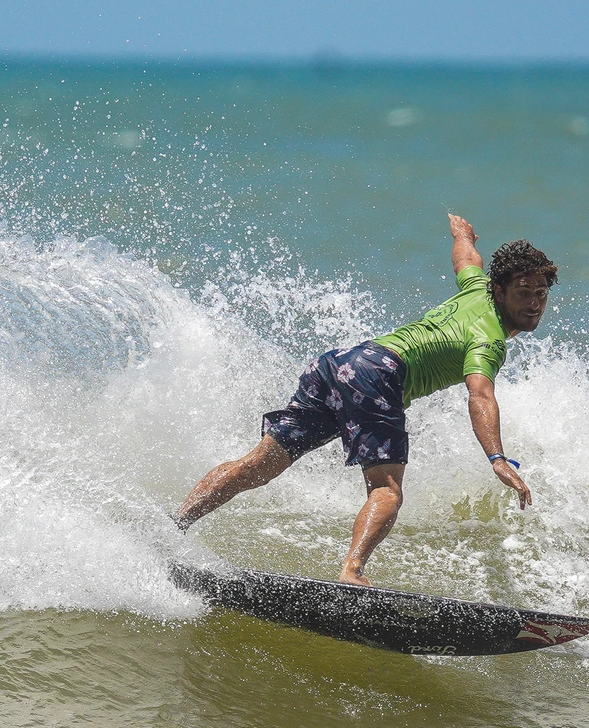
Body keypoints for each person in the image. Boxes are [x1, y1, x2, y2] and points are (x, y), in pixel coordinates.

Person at [174, 214, 558, 586]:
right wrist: (497, 458)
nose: (533, 303)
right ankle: (352, 571)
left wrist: (462, 235)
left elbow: (466, 260)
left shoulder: (476, 288)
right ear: (499, 291)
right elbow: (481, 394)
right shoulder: (489, 340)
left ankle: (175, 524)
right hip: (379, 376)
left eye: (540, 294)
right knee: (386, 490)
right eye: (523, 293)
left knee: (259, 466)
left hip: (338, 364)